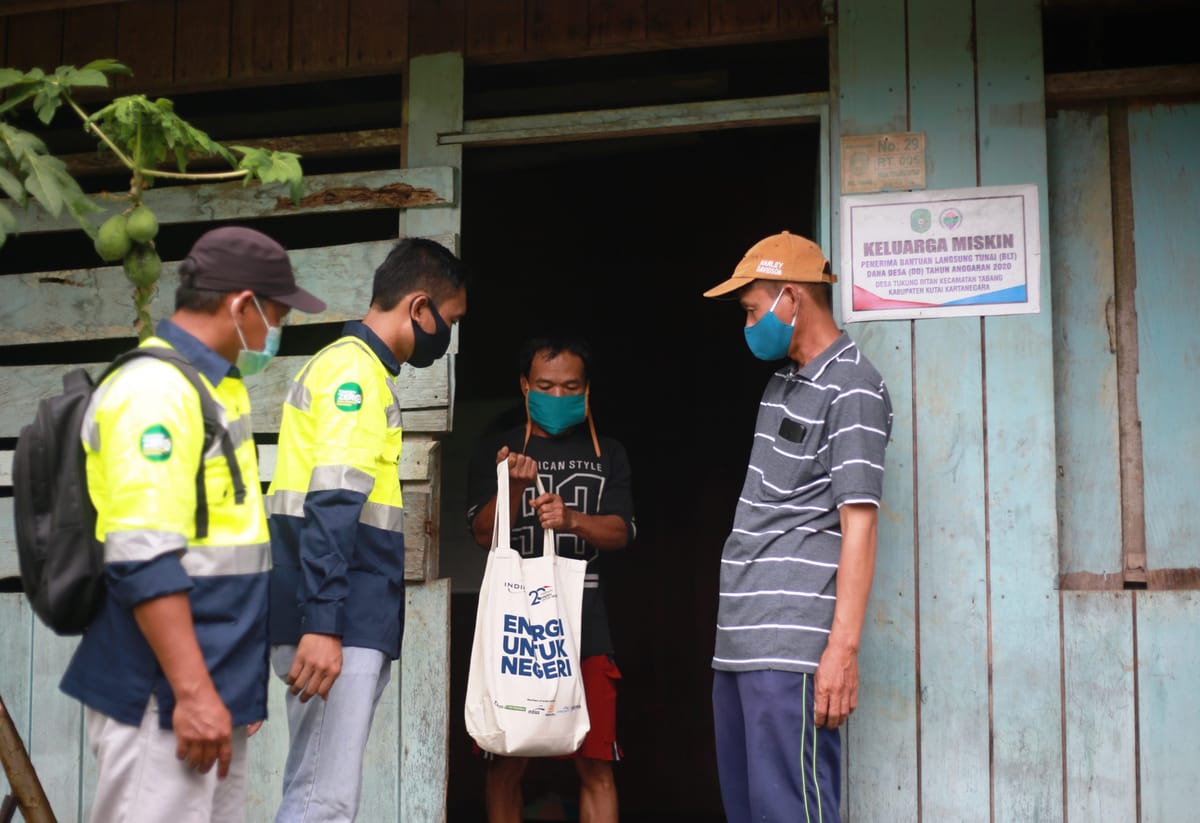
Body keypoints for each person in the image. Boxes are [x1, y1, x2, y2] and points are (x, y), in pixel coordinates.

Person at [60, 226, 326, 823]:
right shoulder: (154, 389)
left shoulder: (212, 388)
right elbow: (142, 553)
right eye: (276, 314)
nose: (276, 332)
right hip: (161, 691)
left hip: (206, 687)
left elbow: (221, 554)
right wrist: (193, 691)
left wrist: (232, 686)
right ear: (242, 306)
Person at [266, 237, 467, 822]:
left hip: (340, 614)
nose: (446, 335)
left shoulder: (352, 370)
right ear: (419, 307)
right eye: (449, 321)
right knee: (322, 802)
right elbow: (332, 503)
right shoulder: (353, 377)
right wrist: (325, 624)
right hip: (339, 619)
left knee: (311, 790)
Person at [702, 231, 893, 823]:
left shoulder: (854, 386)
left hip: (792, 650)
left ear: (792, 298)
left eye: (754, 310)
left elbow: (858, 524)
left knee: (792, 811)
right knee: (751, 810)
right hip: (740, 642)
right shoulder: (782, 383)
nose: (750, 324)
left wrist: (842, 650)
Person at [467, 334, 636, 823]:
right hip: (517, 627)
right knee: (506, 762)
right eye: (545, 385)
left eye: (570, 386)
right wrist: (513, 489)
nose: (558, 397)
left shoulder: (611, 453)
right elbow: (481, 533)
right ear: (524, 386)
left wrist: (573, 520)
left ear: (587, 389)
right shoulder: (495, 451)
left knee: (596, 765)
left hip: (587, 624)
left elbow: (623, 531)